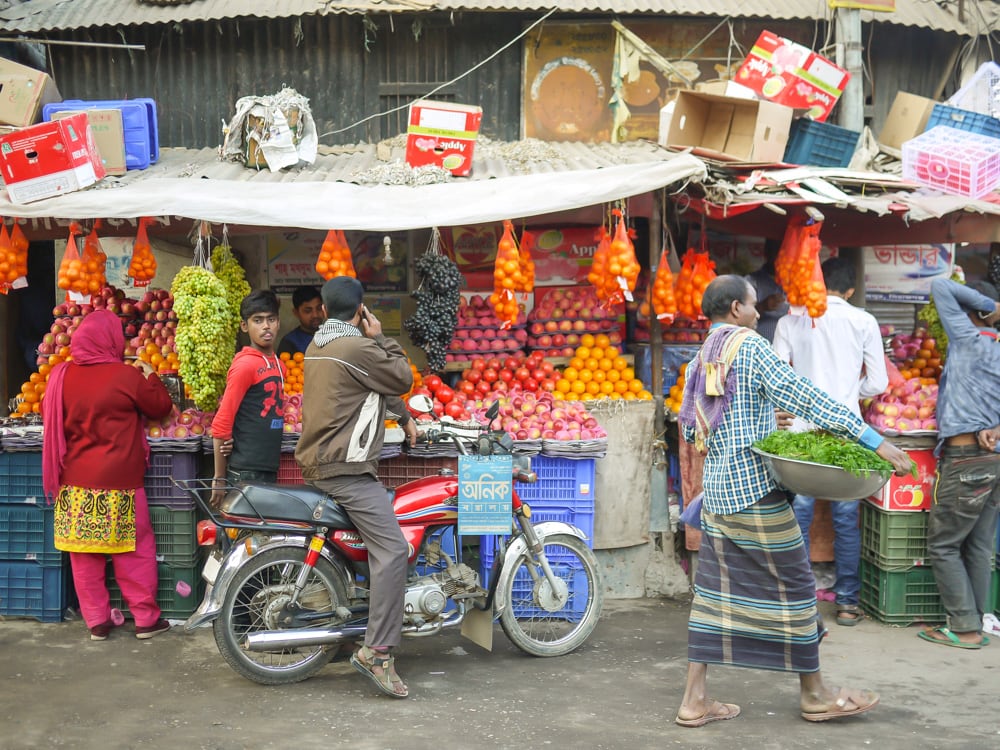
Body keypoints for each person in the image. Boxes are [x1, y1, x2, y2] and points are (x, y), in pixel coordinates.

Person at [675, 274, 911, 727]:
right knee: (798, 589)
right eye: (752, 304)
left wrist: (763, 416)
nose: (759, 311)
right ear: (735, 309)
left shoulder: (700, 358)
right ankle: (815, 695)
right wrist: (872, 439)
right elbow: (807, 397)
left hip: (718, 495)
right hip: (755, 493)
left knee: (712, 597)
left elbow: (692, 429)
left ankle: (694, 700)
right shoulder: (749, 346)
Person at [295, 276, 418, 699]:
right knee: (393, 549)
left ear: (325, 310)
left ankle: (358, 622)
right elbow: (399, 377)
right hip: (344, 469)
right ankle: (378, 652)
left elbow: (376, 386)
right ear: (361, 310)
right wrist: (384, 337)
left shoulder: (319, 345)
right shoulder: (360, 346)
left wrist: (403, 417)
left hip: (321, 463)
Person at [41, 309, 173, 641]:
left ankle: (97, 623)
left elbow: (46, 412)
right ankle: (145, 620)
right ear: (112, 340)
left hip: (74, 484)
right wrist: (150, 375)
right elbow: (160, 407)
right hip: (122, 483)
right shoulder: (125, 376)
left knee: (84, 554)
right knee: (135, 550)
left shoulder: (60, 376)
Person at [772, 257, 888, 627]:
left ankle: (801, 603)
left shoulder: (791, 321)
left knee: (798, 519)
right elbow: (878, 384)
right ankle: (848, 604)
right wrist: (852, 391)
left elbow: (777, 377)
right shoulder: (864, 320)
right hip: (847, 432)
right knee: (845, 519)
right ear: (851, 289)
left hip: (802, 436)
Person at [918, 277, 1000, 649]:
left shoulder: (967, 339)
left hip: (966, 459)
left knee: (944, 544)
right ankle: (976, 624)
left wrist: (986, 304)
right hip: (994, 459)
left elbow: (940, 285)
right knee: (980, 546)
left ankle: (965, 629)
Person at [211, 290, 286, 505]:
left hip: (268, 467)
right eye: (258, 320)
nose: (266, 326)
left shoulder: (279, 365)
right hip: (245, 471)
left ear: (278, 323)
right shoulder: (244, 365)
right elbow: (222, 422)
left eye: (271, 319)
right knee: (244, 536)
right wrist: (219, 477)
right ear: (245, 326)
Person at [745, 239, 788, 343]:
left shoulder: (798, 282)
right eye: (777, 252)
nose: (781, 257)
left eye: (785, 252)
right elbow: (740, 315)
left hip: (791, 350)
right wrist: (763, 306)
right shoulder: (751, 281)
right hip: (760, 348)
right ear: (767, 253)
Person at [277, 285, 325, 356]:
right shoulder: (289, 343)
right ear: (296, 313)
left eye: (319, 308)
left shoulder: (334, 335)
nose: (315, 315)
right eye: (308, 311)